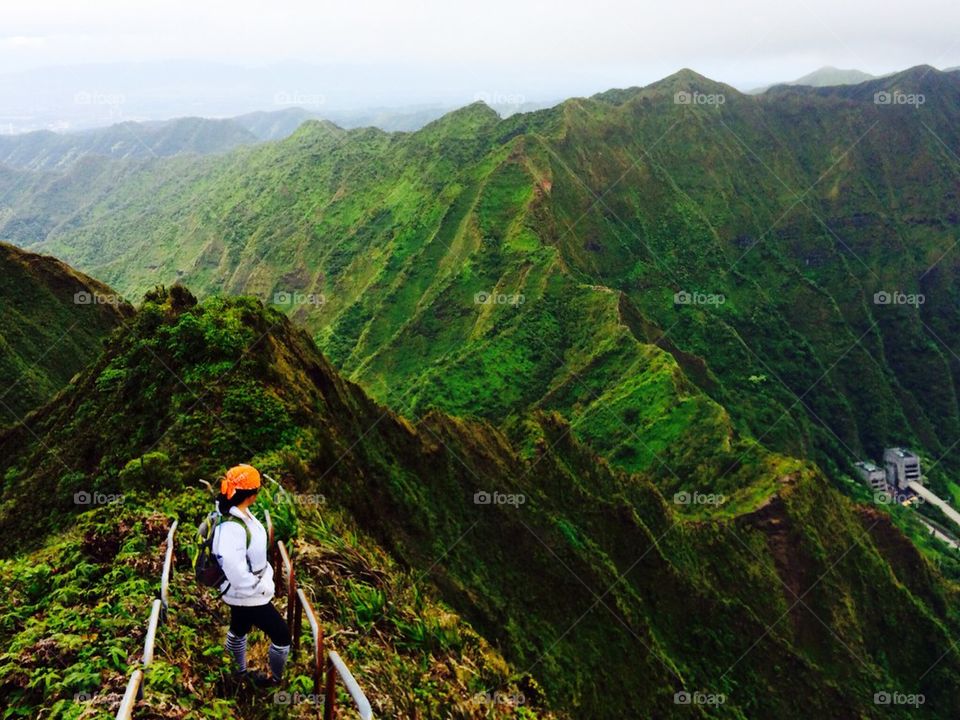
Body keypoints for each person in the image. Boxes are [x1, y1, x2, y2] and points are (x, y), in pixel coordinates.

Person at [213, 464, 291, 687]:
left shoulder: (240, 514)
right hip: (248, 593)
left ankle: (236, 672)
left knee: (239, 629)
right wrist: (260, 588)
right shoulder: (232, 527)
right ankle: (275, 680)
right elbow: (234, 569)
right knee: (282, 636)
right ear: (252, 494)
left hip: (247, 590)